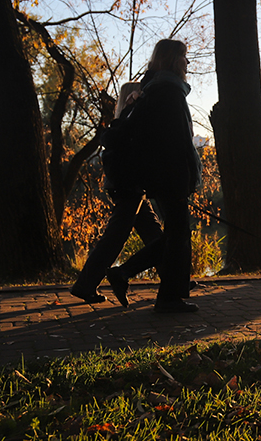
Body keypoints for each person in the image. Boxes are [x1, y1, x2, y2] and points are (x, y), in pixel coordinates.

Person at [118, 38, 202, 313]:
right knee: (178, 233)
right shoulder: (168, 91)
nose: (187, 62)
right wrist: (187, 177)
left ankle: (125, 274)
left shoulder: (155, 88)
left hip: (161, 174)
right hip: (170, 174)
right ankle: (167, 299)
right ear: (171, 59)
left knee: (175, 233)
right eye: (184, 56)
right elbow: (177, 142)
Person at [70, 83, 164, 306]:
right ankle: (85, 285)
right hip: (129, 186)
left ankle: (173, 277)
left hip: (125, 185)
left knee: (153, 232)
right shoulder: (131, 118)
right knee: (115, 238)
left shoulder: (120, 120)